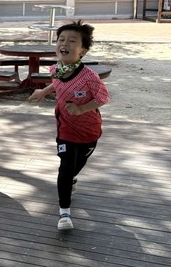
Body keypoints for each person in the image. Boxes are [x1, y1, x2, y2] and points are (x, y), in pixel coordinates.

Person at [28, 21, 110, 231]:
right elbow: (56, 83)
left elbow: (103, 98)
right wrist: (43, 92)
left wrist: (82, 109)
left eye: (72, 41)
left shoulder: (90, 77)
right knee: (65, 167)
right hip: (65, 126)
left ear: (82, 51)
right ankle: (64, 212)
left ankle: (73, 177)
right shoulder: (56, 69)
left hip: (89, 130)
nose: (64, 44)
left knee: (77, 165)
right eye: (61, 39)